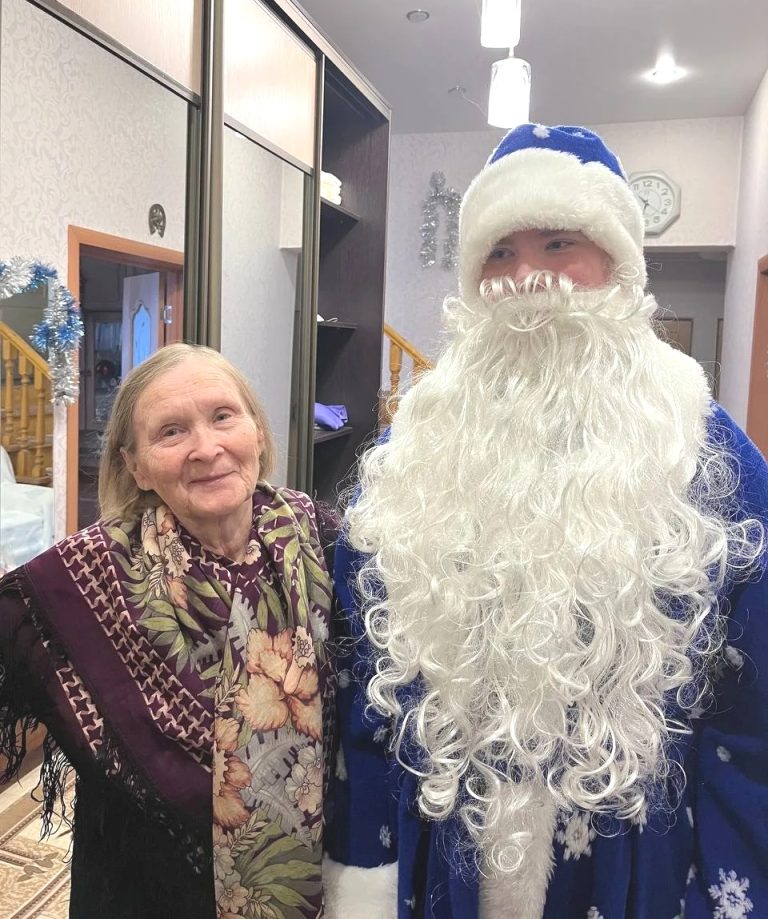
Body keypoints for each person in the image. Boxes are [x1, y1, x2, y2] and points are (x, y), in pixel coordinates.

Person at [323, 125, 768, 919]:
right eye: (499, 252)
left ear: (618, 264)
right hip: (445, 850)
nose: (526, 276)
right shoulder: (418, 450)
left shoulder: (707, 454)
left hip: (637, 867)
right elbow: (367, 683)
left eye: (559, 243)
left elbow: (756, 719)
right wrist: (367, 868)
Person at [0, 343, 337, 919]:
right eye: (171, 432)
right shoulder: (83, 577)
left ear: (257, 431)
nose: (206, 448)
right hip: (144, 885)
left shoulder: (323, 536)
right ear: (137, 467)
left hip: (319, 861)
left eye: (223, 416)